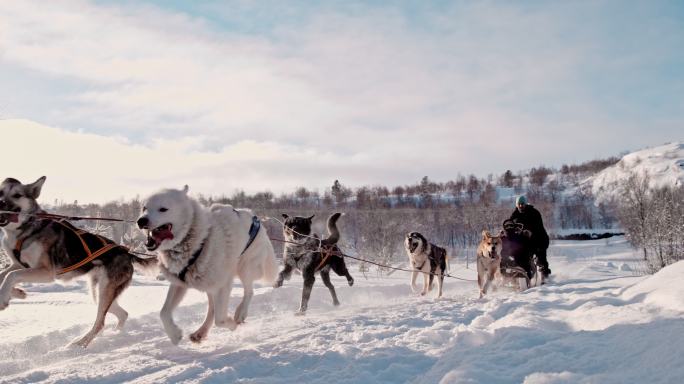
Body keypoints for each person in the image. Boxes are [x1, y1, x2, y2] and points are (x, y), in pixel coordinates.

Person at [509, 195, 551, 278]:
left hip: (539, 239)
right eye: (519, 204)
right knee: (521, 255)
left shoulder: (534, 212)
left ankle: (545, 276)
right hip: (525, 240)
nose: (521, 206)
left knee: (540, 258)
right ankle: (523, 272)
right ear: (516, 205)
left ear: (526, 204)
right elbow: (510, 223)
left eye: (522, 204)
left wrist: (529, 231)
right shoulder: (515, 214)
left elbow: (539, 227)